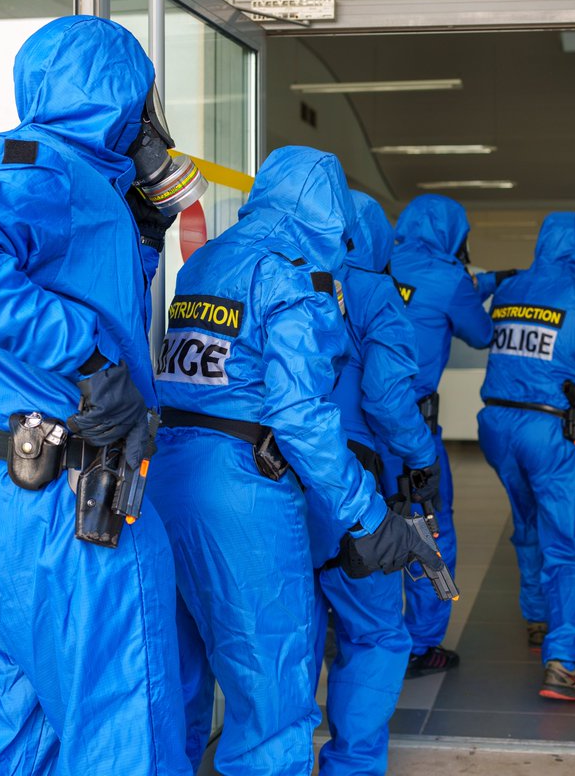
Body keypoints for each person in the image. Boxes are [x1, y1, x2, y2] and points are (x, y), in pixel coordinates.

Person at [0, 16, 194, 774]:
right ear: (126, 95)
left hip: (11, 498)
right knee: (125, 731)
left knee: (11, 738)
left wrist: (146, 232)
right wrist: (88, 359)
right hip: (77, 510)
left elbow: (87, 295)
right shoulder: (43, 164)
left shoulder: (73, 181)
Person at [146, 146, 442, 776]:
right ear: (328, 212)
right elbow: (300, 414)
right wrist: (368, 515)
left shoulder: (209, 263)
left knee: (179, 681)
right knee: (272, 694)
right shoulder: (291, 272)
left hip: (165, 480)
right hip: (243, 494)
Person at [307, 190, 440, 776]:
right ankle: (352, 766)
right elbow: (387, 399)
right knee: (376, 633)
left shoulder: (298, 280)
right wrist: (421, 458)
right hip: (352, 487)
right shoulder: (374, 293)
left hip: (280, 478)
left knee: (295, 628)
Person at [477, 211, 575, 703]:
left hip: (497, 424)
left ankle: (539, 619)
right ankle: (564, 662)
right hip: (550, 430)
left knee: (528, 525)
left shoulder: (514, 288)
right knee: (572, 544)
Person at [381, 193, 493, 677]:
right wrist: (481, 286)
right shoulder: (449, 279)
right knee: (431, 530)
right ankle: (422, 643)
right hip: (412, 430)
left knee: (362, 522)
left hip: (357, 426)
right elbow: (481, 332)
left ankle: (366, 632)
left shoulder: (374, 264)